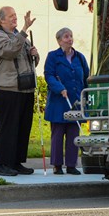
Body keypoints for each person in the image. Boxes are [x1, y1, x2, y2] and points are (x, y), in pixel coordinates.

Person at [0, 6, 39, 176]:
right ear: (1, 20)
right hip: (5, 88)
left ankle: (16, 163)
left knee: (23, 127)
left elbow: (29, 62)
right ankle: (2, 164)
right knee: (8, 127)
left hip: (24, 89)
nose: (15, 18)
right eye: (11, 16)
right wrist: (24, 30)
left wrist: (35, 54)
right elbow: (10, 51)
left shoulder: (19, 37)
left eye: (15, 15)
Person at [44, 27, 89, 175]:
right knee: (57, 133)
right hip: (59, 102)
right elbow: (49, 75)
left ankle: (71, 165)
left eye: (71, 36)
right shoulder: (53, 57)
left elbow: (86, 78)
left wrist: (87, 97)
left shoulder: (80, 57)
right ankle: (57, 165)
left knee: (73, 133)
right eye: (66, 37)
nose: (69, 39)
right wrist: (59, 88)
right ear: (59, 41)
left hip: (75, 101)